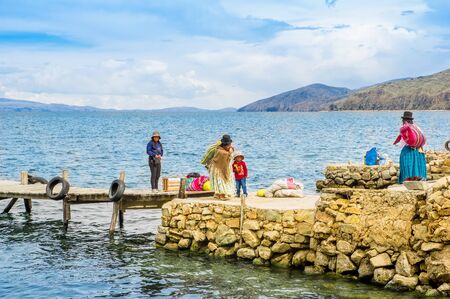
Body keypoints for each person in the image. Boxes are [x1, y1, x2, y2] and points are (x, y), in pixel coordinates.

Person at [393, 111, 427, 183]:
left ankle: (407, 179)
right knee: (416, 164)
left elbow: (403, 142)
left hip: (408, 148)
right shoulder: (416, 127)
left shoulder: (404, 128)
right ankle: (416, 178)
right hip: (418, 148)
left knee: (406, 162)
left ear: (404, 120)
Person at [208, 134, 235, 199]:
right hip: (218, 169)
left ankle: (218, 194)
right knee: (220, 181)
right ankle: (221, 194)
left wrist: (230, 150)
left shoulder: (221, 149)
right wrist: (230, 152)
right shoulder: (221, 152)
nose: (230, 146)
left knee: (219, 181)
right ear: (224, 145)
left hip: (217, 167)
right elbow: (229, 156)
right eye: (228, 145)